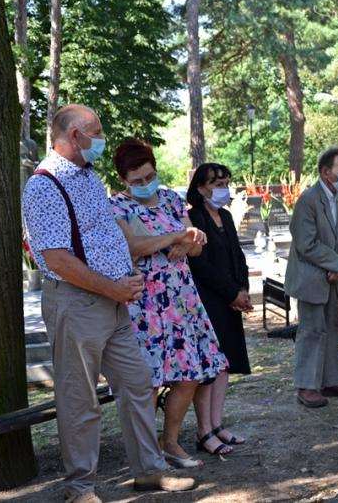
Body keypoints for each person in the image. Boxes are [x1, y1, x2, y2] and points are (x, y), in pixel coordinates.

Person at [22, 105, 195, 502]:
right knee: (79, 399)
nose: (101, 138)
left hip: (114, 303)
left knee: (137, 383)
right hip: (77, 303)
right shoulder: (44, 185)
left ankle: (149, 471)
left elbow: (105, 234)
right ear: (74, 136)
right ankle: (80, 487)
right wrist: (112, 287)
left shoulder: (86, 175)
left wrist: (124, 277)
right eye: (96, 131)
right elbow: (57, 259)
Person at [109, 140, 230, 464]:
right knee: (148, 381)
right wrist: (176, 237)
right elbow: (134, 246)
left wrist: (186, 242)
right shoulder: (117, 207)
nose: (146, 184)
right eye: (137, 180)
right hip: (144, 304)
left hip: (181, 300)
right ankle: (146, 454)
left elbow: (196, 246)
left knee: (189, 374)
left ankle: (170, 442)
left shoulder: (172, 200)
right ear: (123, 179)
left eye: (149, 176)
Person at [285, 147, 338, 408]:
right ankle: (306, 386)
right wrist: (336, 262)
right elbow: (305, 243)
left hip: (334, 276)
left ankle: (331, 380)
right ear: (325, 172)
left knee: (333, 326)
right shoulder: (308, 199)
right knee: (312, 330)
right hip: (310, 278)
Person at [187, 163, 251, 449]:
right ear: (201, 188)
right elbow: (201, 266)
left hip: (231, 301)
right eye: (217, 184)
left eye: (226, 183)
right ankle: (204, 431)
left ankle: (217, 424)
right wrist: (231, 293)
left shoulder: (225, 215)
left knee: (225, 364)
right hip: (208, 301)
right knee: (209, 368)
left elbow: (237, 254)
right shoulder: (193, 218)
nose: (224, 189)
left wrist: (243, 289)